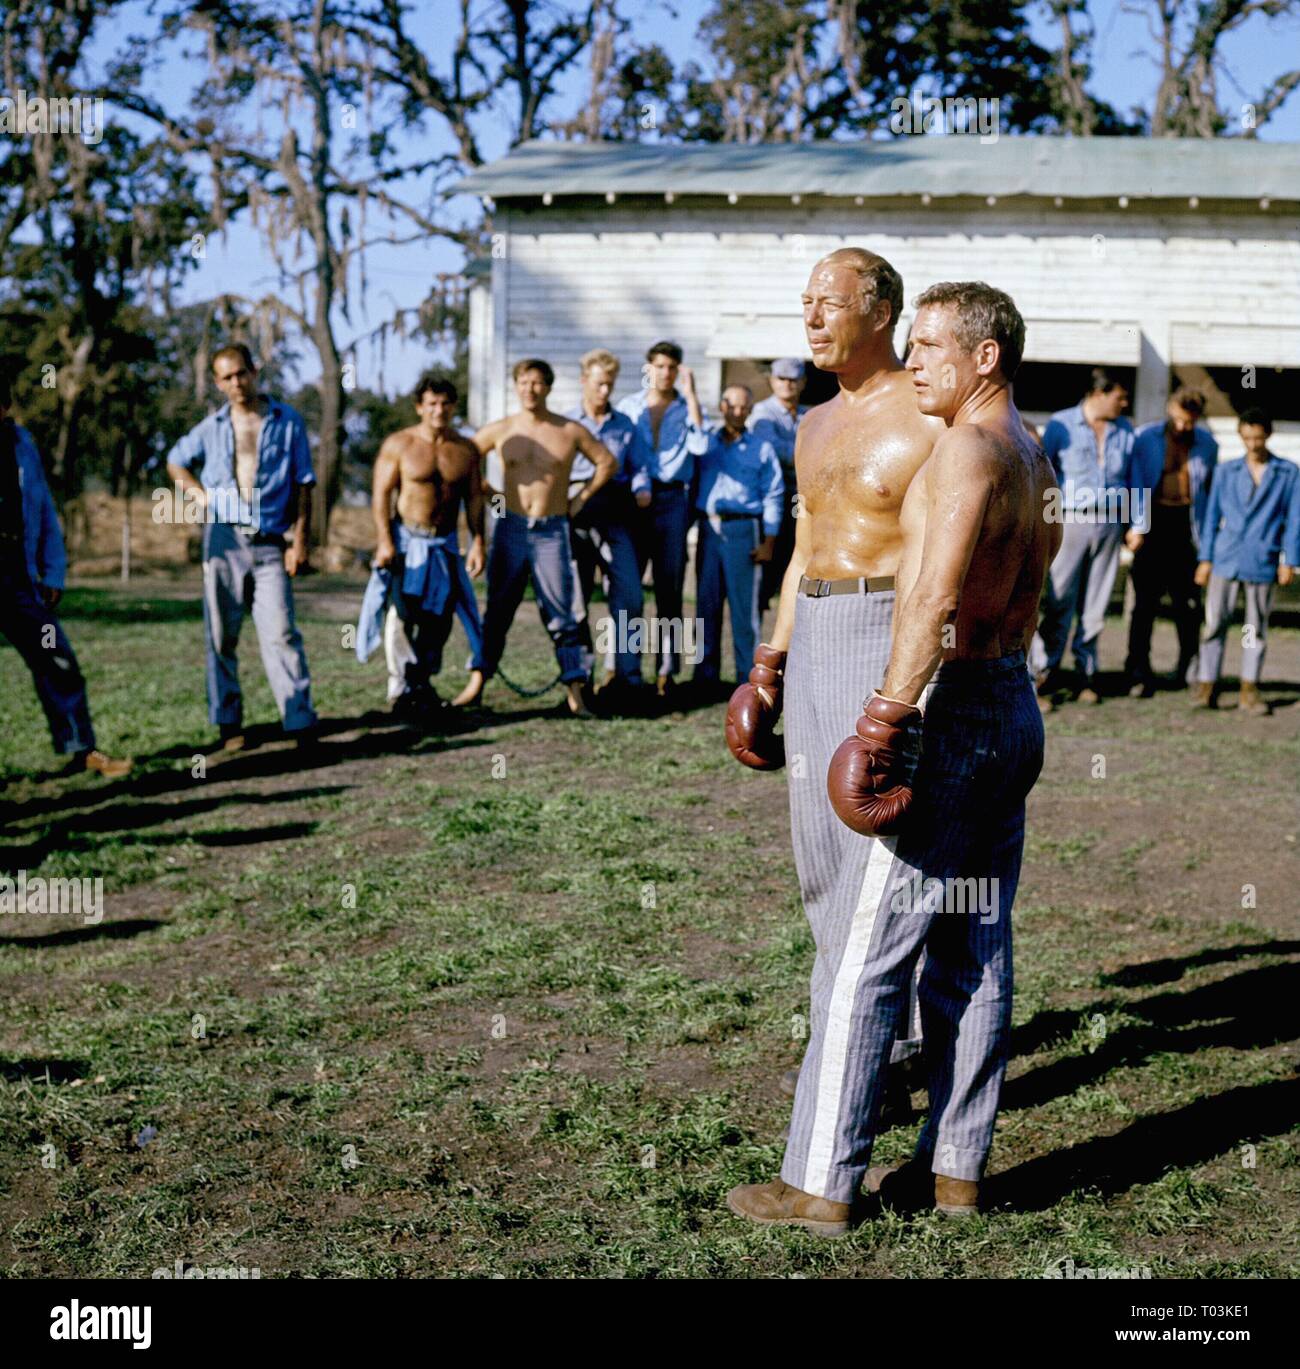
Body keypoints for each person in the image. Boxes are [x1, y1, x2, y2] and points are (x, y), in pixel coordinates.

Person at [727, 281, 1056, 1235]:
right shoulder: (1034, 453)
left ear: (983, 358)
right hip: (1012, 703)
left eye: (930, 348)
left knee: (868, 952)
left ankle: (820, 1183)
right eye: (909, 346)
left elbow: (930, 598)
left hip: (951, 708)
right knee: (975, 945)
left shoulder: (964, 450)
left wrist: (882, 719)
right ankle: (955, 1175)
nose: (914, 363)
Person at [724, 247, 946, 1141]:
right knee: (822, 860)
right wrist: (766, 665)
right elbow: (808, 543)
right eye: (804, 302)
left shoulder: (930, 413)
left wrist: (917, 689)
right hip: (814, 632)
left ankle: (883, 1052)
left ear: (881, 309)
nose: (812, 318)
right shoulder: (812, 423)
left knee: (883, 861)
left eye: (830, 302)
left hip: (885, 635)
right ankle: (869, 1041)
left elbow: (947, 556)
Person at [165, 344, 317, 751]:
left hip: (270, 541)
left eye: (242, 374)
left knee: (282, 631)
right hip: (224, 538)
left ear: (255, 371)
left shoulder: (287, 421)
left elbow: (305, 484)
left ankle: (299, 720)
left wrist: (300, 540)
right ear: (217, 382)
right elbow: (175, 461)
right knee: (220, 634)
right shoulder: (211, 427)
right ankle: (229, 723)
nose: (236, 383)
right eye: (227, 378)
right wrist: (199, 497)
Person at [469, 358, 617, 717]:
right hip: (511, 527)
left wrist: (579, 499)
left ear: (548, 388)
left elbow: (606, 462)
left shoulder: (568, 430)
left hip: (552, 529)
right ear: (515, 386)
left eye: (537, 383)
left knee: (563, 613)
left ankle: (575, 692)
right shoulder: (501, 429)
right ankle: (475, 685)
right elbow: (464, 461)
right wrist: (496, 501)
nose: (529, 389)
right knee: (498, 611)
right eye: (523, 382)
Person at [0, 377, 131, 778]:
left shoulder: (21, 443)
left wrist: (53, 571)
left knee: (56, 656)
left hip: (19, 576)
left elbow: (42, 507)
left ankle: (81, 748)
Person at [356, 374, 486, 718]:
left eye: (445, 403)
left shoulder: (466, 450)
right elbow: (381, 495)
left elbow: (474, 499)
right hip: (406, 542)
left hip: (443, 544)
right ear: (419, 407)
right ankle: (400, 688)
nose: (438, 410)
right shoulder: (400, 445)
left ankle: (422, 683)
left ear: (454, 407)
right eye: (431, 404)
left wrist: (477, 543)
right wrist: (384, 541)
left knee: (439, 617)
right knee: (402, 613)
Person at [1028, 369, 1137, 710]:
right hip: (1071, 519)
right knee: (1060, 601)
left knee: (1096, 606)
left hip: (1110, 523)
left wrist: (1137, 524)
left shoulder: (1124, 430)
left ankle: (1085, 676)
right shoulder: (1061, 425)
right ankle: (1044, 676)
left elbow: (1134, 478)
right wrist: (1047, 522)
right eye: (1119, 397)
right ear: (1098, 394)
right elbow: (1045, 474)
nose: (1124, 403)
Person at [1192, 408, 1300, 715]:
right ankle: (1206, 686)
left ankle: (1248, 689)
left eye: (1258, 437)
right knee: (1214, 623)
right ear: (1241, 436)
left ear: (1268, 435)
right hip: (1226, 558)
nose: (1252, 444)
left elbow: (1295, 519)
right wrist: (1205, 558)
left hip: (1263, 558)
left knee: (1254, 628)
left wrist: (1289, 560)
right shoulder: (1226, 471)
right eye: (1247, 438)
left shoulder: (1288, 473)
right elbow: (1212, 516)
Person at [617, 342, 708, 704]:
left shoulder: (688, 409)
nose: (665, 373)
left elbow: (701, 447)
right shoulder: (629, 407)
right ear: (649, 368)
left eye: (672, 367)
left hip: (672, 501)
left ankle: (667, 672)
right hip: (633, 503)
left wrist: (694, 397)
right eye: (659, 366)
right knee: (628, 591)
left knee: (669, 593)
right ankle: (623, 668)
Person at [565, 349, 653, 712]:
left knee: (630, 596)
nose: (605, 391)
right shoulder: (566, 423)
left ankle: (626, 676)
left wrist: (642, 487)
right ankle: (579, 679)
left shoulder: (624, 425)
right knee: (576, 601)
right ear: (584, 381)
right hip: (575, 513)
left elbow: (639, 466)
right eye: (600, 383)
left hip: (616, 513)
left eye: (610, 385)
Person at [692, 384, 784, 697]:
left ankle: (748, 681)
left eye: (744, 406)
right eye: (732, 405)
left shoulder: (761, 448)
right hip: (709, 529)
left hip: (745, 530)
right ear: (722, 405)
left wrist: (769, 539)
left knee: (745, 610)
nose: (737, 412)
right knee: (706, 605)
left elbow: (774, 493)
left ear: (749, 409)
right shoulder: (706, 444)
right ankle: (704, 677)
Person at [1126, 387, 1218, 696]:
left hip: (1186, 526)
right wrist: (1135, 525)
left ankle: (1188, 668)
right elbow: (1135, 482)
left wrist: (1206, 546)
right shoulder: (1145, 438)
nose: (1181, 427)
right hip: (1153, 522)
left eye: (1189, 422)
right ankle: (1138, 670)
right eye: (1177, 419)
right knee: (1144, 605)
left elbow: (1209, 494)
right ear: (1169, 409)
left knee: (1187, 605)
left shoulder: (1208, 445)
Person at [749, 358, 809, 608]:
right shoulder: (762, 413)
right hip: (774, 496)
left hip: (801, 497)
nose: (787, 384)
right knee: (769, 559)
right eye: (782, 379)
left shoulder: (808, 414)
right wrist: (811, 450)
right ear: (772, 381)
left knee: (799, 551)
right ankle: (758, 612)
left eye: (793, 379)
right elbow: (774, 453)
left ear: (803, 382)